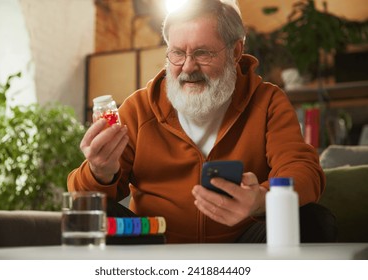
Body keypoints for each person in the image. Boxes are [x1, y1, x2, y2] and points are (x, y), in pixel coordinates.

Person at [68, 0, 335, 243]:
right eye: (177, 53)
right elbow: (81, 198)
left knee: (311, 218)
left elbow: (303, 170)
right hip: (157, 246)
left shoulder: (267, 102)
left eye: (202, 53)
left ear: (235, 51)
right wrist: (99, 171)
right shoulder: (139, 109)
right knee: (92, 216)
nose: (187, 67)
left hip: (243, 245)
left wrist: (262, 200)